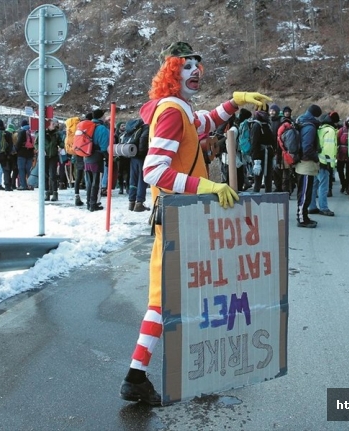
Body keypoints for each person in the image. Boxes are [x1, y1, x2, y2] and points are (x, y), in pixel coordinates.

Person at [119, 41, 270, 406]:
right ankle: (135, 377)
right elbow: (155, 171)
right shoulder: (171, 112)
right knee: (162, 300)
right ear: (171, 73)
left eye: (197, 66)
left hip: (186, 220)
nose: (195, 71)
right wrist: (207, 185)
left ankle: (196, 370)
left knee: (192, 294)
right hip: (173, 220)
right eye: (186, 66)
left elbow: (206, 121)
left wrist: (235, 102)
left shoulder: (183, 110)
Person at [295, 104, 322, 228]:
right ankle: (302, 218)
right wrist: (316, 158)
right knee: (305, 193)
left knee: (304, 192)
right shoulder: (310, 127)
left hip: (302, 163)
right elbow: (307, 148)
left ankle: (304, 216)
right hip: (306, 164)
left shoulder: (302, 122)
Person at [308, 113, 337, 216]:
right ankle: (324, 208)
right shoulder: (330, 131)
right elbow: (329, 148)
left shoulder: (319, 129)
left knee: (314, 185)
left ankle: (311, 206)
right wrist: (329, 164)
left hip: (316, 161)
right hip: (324, 163)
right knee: (323, 186)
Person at [85, 108, 109, 212]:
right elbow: (104, 147)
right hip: (97, 157)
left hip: (86, 156)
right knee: (96, 182)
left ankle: (88, 203)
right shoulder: (102, 129)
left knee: (89, 182)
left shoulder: (88, 126)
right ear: (101, 117)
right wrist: (108, 158)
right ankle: (93, 204)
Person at [36, 120, 64, 201]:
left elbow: (61, 143)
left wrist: (61, 147)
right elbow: (36, 143)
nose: (54, 125)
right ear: (48, 125)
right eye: (52, 124)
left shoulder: (57, 134)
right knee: (45, 175)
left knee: (53, 175)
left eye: (54, 124)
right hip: (44, 156)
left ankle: (55, 193)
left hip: (53, 156)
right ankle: (47, 192)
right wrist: (40, 149)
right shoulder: (41, 133)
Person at [250, 110, 275, 193]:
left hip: (268, 154)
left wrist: (273, 152)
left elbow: (272, 140)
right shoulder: (257, 126)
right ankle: (255, 198)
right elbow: (254, 143)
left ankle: (269, 198)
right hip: (260, 155)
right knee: (258, 178)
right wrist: (256, 159)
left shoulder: (267, 125)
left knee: (268, 178)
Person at [16, 120, 35, 191]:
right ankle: (30, 185)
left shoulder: (22, 132)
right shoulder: (31, 132)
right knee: (28, 170)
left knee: (21, 169)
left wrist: (16, 149)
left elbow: (19, 143)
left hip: (22, 153)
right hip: (30, 153)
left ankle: (23, 185)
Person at [336, 116, 349, 195]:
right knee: (340, 170)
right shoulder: (341, 130)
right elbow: (337, 141)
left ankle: (347, 185)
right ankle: (343, 184)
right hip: (341, 153)